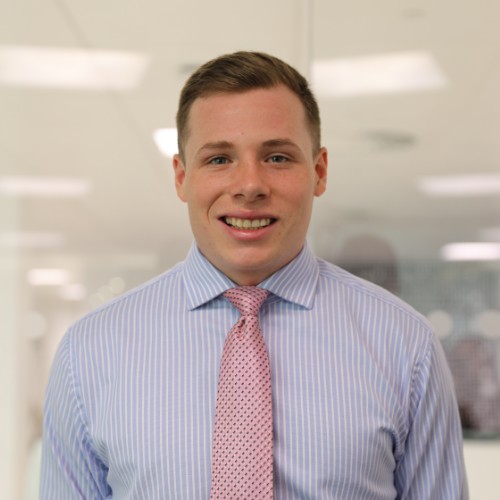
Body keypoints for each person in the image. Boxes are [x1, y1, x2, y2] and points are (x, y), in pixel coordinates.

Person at [40, 51, 468, 499]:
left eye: (278, 157)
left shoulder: (405, 345)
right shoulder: (89, 352)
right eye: (219, 159)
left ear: (319, 171)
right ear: (182, 176)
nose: (250, 185)